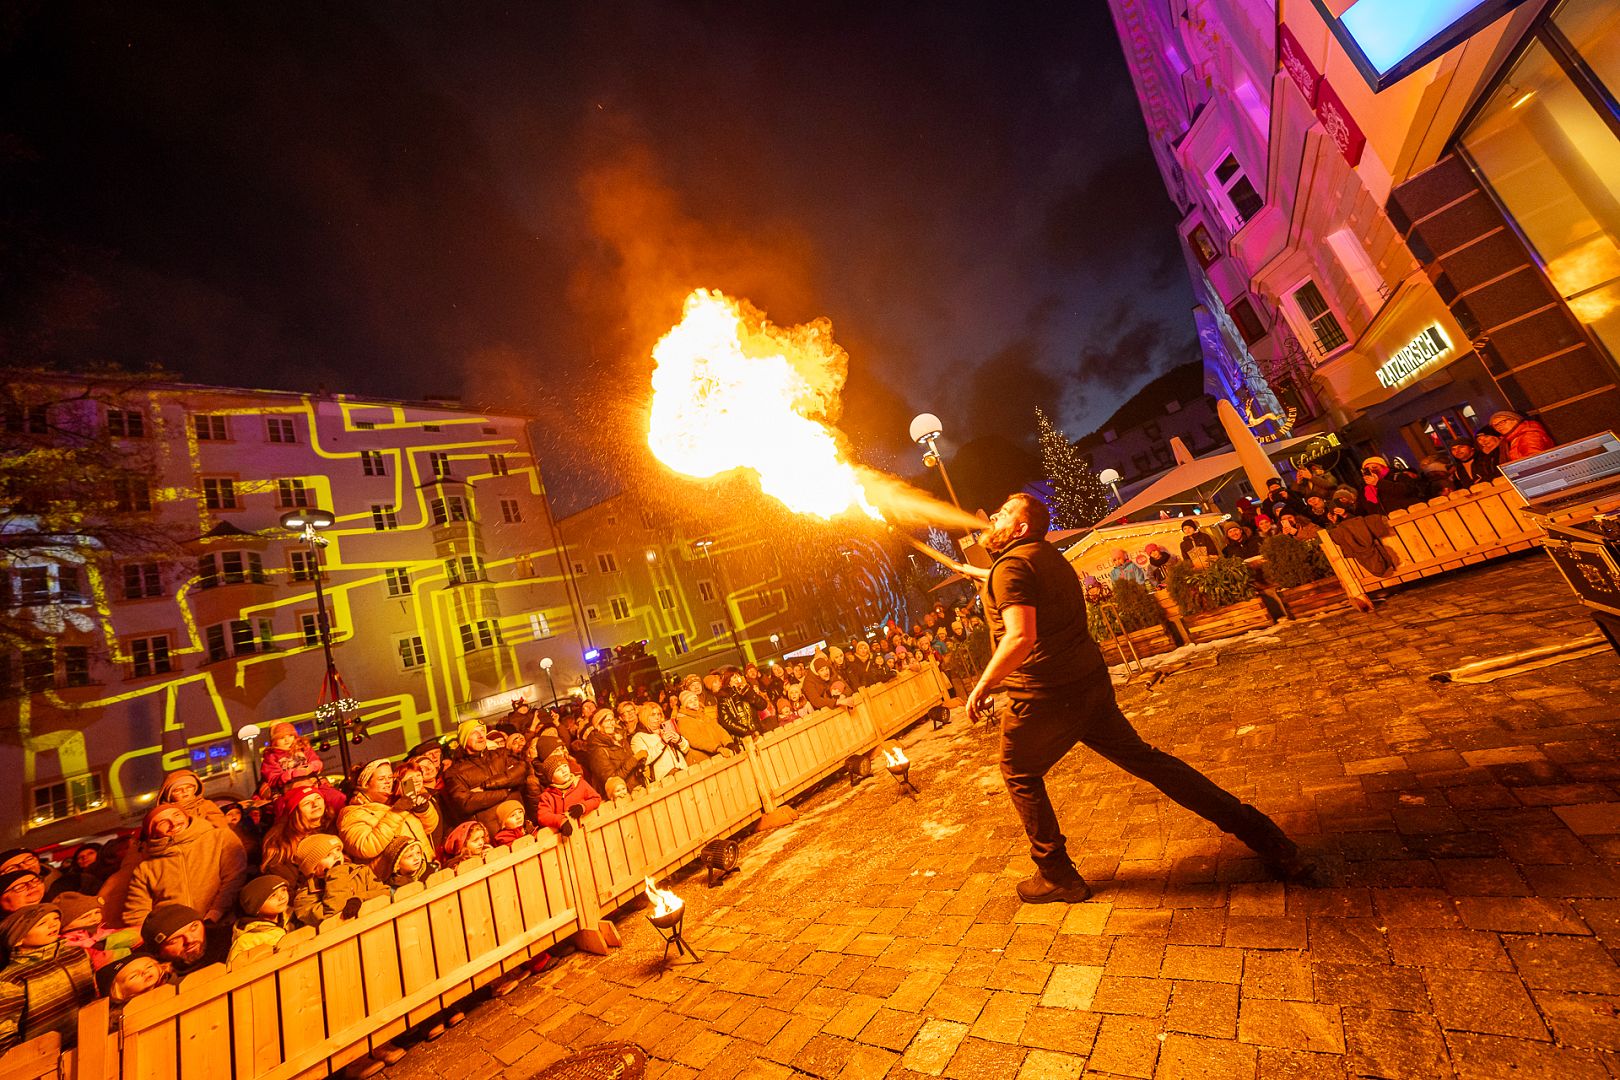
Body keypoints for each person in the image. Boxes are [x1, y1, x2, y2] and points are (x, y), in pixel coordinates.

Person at [964, 492, 1310, 904]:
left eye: (1003, 513)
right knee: (1149, 761)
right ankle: (1266, 836)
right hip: (1087, 684)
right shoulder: (1044, 557)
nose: (994, 516)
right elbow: (1022, 585)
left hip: (1044, 696)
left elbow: (1021, 636)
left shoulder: (1010, 568)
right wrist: (985, 576)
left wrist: (984, 684)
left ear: (1020, 528)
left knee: (1019, 773)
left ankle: (1057, 874)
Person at [121, 803, 248, 930]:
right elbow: (137, 912)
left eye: (177, 815)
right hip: (175, 936)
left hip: (223, 925)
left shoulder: (220, 838)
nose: (173, 823)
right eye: (163, 822)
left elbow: (234, 878)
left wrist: (215, 914)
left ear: (186, 816)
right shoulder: (146, 868)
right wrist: (164, 934)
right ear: (153, 833)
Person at [0, 903, 97, 1051]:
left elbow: (95, 990)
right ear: (18, 939)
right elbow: (4, 1030)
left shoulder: (76, 954)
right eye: (42, 923)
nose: (53, 924)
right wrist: (26, 1056)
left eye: (56, 918)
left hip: (92, 1036)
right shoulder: (12, 979)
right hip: (47, 1054)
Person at [337, 759, 437, 881]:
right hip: (395, 882)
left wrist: (423, 809)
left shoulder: (395, 801)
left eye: (390, 777)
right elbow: (365, 847)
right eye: (381, 779)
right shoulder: (352, 814)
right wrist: (396, 812)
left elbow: (429, 828)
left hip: (427, 869)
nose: (388, 782)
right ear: (365, 784)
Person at [441, 720, 532, 833]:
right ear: (464, 739)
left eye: (482, 731)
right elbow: (466, 802)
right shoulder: (454, 772)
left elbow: (522, 769)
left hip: (521, 824)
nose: (480, 735)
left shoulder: (502, 754)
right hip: (492, 832)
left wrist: (487, 785)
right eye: (474, 732)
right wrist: (505, 790)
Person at [290, 836, 387, 927]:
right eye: (328, 855)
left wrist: (359, 899)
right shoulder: (304, 899)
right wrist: (336, 874)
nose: (337, 856)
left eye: (337, 850)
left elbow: (385, 894)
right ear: (314, 868)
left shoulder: (361, 872)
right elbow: (333, 913)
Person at [532, 753, 601, 835]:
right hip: (567, 837)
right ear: (551, 778)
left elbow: (596, 799)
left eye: (565, 766)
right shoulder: (548, 796)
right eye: (558, 770)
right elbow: (543, 816)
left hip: (588, 829)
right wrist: (561, 820)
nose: (564, 771)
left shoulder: (580, 783)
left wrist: (583, 807)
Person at [229, 875, 293, 962]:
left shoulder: (292, 918)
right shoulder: (247, 941)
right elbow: (237, 966)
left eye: (283, 890)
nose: (282, 897)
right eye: (273, 895)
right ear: (257, 908)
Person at [259, 722, 326, 796]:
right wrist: (291, 774)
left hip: (312, 781)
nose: (287, 740)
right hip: (290, 788)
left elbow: (315, 760)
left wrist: (311, 767)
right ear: (274, 740)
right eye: (282, 738)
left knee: (331, 794)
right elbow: (273, 778)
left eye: (290, 735)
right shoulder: (271, 756)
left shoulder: (303, 747)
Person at [632, 703, 689, 781]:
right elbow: (643, 761)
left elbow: (686, 749)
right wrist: (662, 743)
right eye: (653, 714)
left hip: (684, 771)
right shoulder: (638, 737)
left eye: (658, 714)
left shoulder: (666, 729)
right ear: (645, 717)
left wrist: (679, 740)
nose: (657, 717)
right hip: (665, 780)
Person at [1358, 456, 1423, 514]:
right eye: (1367, 469)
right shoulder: (1366, 489)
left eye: (1375, 467)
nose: (1372, 471)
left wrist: (1378, 483)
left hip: (1413, 513)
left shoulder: (1398, 476)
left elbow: (1406, 490)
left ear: (1383, 467)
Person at [1490, 409, 1556, 463]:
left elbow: (1536, 461)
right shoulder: (1509, 440)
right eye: (1495, 425)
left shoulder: (1529, 435)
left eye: (1502, 422)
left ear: (1516, 419)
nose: (1499, 427)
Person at [717, 669, 761, 741]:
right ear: (728, 681)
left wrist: (751, 694)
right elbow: (727, 721)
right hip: (742, 738)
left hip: (758, 733)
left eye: (739, 676)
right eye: (734, 677)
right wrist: (748, 732)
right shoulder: (724, 697)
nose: (738, 679)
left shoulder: (747, 690)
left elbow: (762, 705)